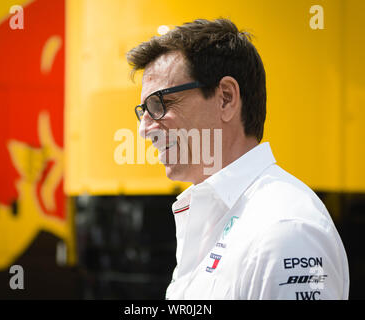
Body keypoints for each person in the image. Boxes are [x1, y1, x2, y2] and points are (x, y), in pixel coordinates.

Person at [126, 18, 349, 300]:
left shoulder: (285, 230)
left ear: (226, 99)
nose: (144, 130)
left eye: (159, 104)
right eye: (142, 111)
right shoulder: (215, 216)